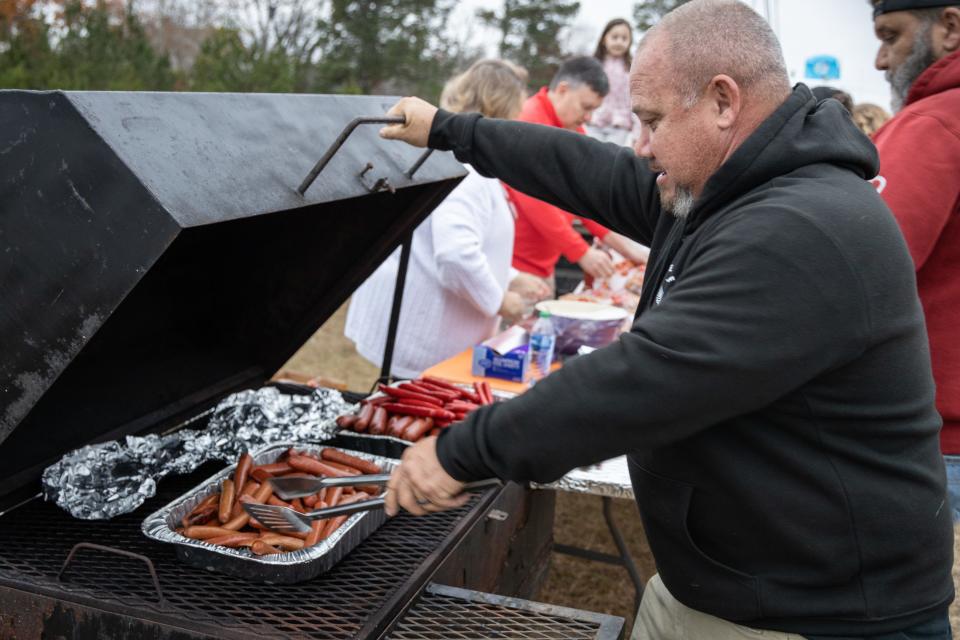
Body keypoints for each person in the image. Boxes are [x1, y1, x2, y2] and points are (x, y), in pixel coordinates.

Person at [378, 0, 954, 638]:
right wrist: (452, 130)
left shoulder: (801, 226)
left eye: (651, 120)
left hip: (819, 612)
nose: (639, 143)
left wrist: (463, 451)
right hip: (737, 584)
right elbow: (589, 170)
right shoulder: (726, 186)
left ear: (722, 102)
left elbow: (643, 379)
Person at [344, 59, 549, 379]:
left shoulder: (460, 159)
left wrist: (510, 277)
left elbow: (466, 240)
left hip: (422, 324)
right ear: (500, 109)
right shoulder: (470, 173)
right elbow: (455, 254)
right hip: (425, 332)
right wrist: (499, 300)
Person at [869, 0, 960, 516]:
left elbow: (857, 268)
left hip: (936, 438)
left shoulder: (934, 123)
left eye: (891, 35)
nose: (881, 60)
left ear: (949, 28)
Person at [508, 56, 649, 295]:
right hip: (516, 265)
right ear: (562, 90)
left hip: (544, 264)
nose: (589, 118)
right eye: (586, 107)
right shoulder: (528, 122)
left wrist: (625, 248)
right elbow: (531, 199)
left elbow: (585, 197)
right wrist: (580, 252)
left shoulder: (574, 130)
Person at [587, 18, 642, 146]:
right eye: (615, 37)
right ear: (604, 39)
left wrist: (637, 133)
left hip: (620, 125)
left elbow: (635, 100)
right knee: (591, 156)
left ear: (630, 42)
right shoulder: (594, 65)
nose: (619, 42)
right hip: (594, 121)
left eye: (624, 38)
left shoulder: (632, 68)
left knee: (611, 160)